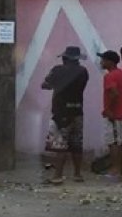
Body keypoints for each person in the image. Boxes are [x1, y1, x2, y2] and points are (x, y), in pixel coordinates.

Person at [41, 46, 89, 184]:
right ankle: (78, 174)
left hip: (60, 112)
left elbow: (45, 85)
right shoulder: (83, 72)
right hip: (77, 110)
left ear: (65, 58)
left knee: (60, 145)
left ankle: (57, 175)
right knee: (77, 144)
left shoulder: (57, 70)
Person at [98, 50, 122, 177]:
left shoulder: (110, 76)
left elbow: (114, 93)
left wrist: (108, 109)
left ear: (109, 62)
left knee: (113, 142)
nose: (101, 62)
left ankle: (115, 169)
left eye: (103, 60)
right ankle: (117, 168)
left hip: (114, 114)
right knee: (119, 141)